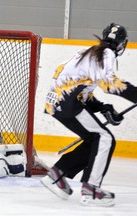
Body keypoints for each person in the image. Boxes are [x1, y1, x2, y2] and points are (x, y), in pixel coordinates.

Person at [40, 23, 137, 207]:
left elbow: (81, 85)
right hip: (68, 102)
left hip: (56, 102)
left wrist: (102, 108)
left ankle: (57, 174)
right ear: (122, 44)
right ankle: (91, 189)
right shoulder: (106, 53)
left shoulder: (91, 51)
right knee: (105, 138)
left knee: (94, 138)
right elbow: (109, 84)